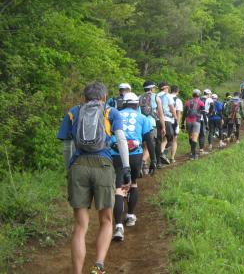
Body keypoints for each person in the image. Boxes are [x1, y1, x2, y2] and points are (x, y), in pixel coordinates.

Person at [57, 81, 131, 274]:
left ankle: (77, 272)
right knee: (106, 220)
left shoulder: (73, 112)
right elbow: (121, 139)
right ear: (104, 97)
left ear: (84, 97)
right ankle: (98, 266)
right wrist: (126, 167)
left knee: (80, 226)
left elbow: (67, 146)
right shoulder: (111, 112)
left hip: (79, 166)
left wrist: (70, 168)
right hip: (104, 166)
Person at [111, 93, 153, 242]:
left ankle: (118, 226)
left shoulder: (115, 114)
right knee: (133, 183)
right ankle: (129, 215)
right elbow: (148, 140)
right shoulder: (143, 118)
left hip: (115, 154)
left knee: (118, 188)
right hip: (135, 154)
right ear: (137, 104)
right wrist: (153, 160)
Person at [139, 81, 165, 172]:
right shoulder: (156, 97)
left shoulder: (139, 97)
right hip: (151, 124)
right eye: (154, 88)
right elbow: (161, 114)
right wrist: (163, 126)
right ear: (151, 88)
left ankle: (143, 165)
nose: (154, 89)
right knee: (149, 146)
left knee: (142, 145)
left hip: (140, 124)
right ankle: (142, 162)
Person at [158, 82, 178, 164]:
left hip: (157, 119)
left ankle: (159, 159)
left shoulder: (156, 95)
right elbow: (172, 107)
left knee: (162, 140)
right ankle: (163, 154)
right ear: (166, 88)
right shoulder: (168, 96)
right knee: (171, 138)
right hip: (166, 119)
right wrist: (175, 117)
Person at [183, 89, 206, 160]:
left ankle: (192, 152)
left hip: (188, 121)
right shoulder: (201, 103)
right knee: (195, 137)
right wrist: (206, 123)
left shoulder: (187, 102)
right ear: (199, 95)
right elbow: (204, 114)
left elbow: (184, 113)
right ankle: (193, 155)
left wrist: (182, 123)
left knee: (190, 137)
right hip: (196, 121)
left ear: (192, 94)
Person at [170, 85, 183, 163]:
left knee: (163, 140)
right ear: (177, 91)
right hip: (173, 121)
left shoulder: (164, 97)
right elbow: (178, 113)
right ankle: (172, 158)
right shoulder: (177, 100)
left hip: (163, 121)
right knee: (174, 140)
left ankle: (160, 157)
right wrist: (178, 124)